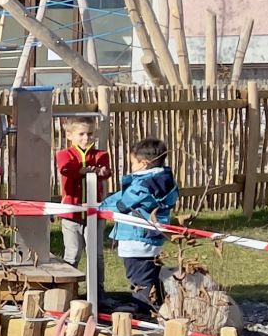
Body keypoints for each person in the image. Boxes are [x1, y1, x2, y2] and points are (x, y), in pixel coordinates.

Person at [101, 136, 178, 319]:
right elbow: (122, 196)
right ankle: (157, 303)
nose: (132, 167)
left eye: (133, 163)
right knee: (150, 273)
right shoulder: (162, 180)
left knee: (139, 277)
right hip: (151, 238)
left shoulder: (144, 185)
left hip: (137, 238)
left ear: (144, 164)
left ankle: (142, 308)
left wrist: (101, 208)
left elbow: (123, 203)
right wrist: (102, 204)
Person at [54, 116, 112, 267]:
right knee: (72, 254)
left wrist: (103, 171)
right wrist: (82, 170)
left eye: (90, 133)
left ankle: (98, 284)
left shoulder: (101, 155)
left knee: (96, 254)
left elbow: (105, 172)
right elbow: (65, 169)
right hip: (71, 213)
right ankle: (69, 282)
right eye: (81, 134)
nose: (86, 138)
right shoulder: (64, 154)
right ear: (69, 135)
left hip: (95, 213)